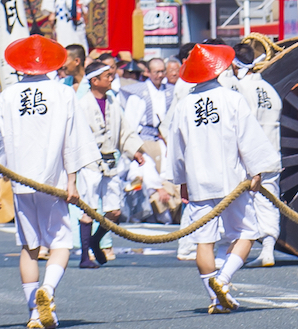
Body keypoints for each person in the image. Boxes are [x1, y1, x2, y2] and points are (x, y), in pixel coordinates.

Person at [0, 34, 96, 329]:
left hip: (20, 180)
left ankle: (32, 311)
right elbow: (73, 139)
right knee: (61, 241)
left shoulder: (9, 95)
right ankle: (47, 291)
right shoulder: (63, 93)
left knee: (29, 245)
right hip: (54, 180)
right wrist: (73, 180)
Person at [166, 42, 276, 313]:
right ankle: (223, 280)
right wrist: (256, 171)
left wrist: (181, 180)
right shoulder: (232, 98)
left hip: (199, 181)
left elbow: (177, 150)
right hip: (232, 180)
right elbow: (248, 139)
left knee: (205, 241)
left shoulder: (184, 105)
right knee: (247, 233)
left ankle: (215, 296)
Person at [76, 52, 153, 270]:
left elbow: (124, 130)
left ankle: (95, 240)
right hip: (90, 162)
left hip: (110, 161)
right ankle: (84, 256)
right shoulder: (82, 105)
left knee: (114, 210)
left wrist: (135, 151)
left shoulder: (112, 102)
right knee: (88, 208)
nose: (112, 79)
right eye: (107, 76)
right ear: (95, 81)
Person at [230, 42, 283, 266]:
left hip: (252, 157)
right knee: (269, 201)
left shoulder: (241, 90)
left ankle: (236, 252)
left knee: (247, 205)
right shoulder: (270, 90)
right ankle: (268, 250)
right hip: (272, 153)